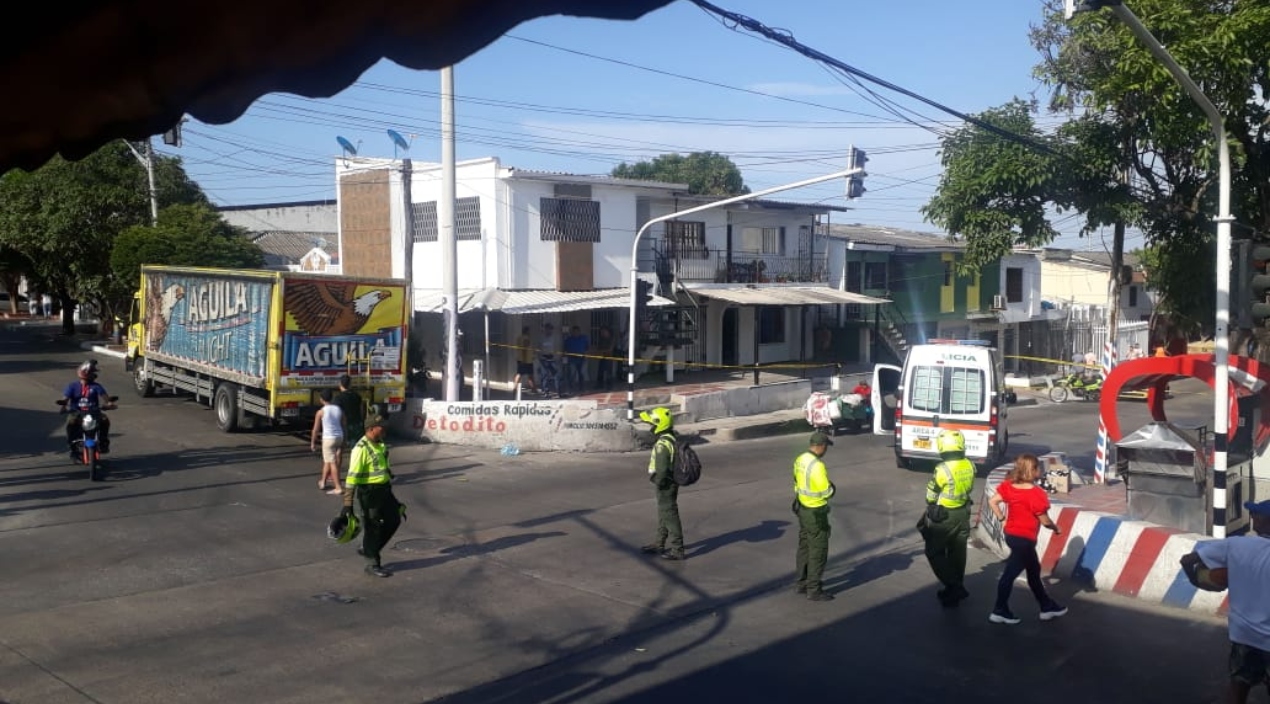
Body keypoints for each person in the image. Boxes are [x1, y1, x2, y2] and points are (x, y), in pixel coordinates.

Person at [1183, 500, 1270, 704]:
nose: (1253, 517)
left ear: (1265, 521)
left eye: (1257, 514)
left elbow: (1188, 560)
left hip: (1244, 637)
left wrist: (1196, 578)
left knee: (1238, 690)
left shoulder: (1236, 545)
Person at [986, 454, 1067, 624]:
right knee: (1010, 574)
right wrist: (1056, 528)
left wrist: (1002, 519)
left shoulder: (1009, 486)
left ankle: (1046, 606)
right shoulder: (1036, 494)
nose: (1040, 470)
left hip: (1011, 535)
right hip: (1024, 540)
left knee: (1033, 570)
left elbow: (993, 501)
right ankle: (1000, 610)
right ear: (1033, 471)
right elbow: (1044, 521)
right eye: (1038, 468)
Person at [920, 428, 976, 607]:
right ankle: (953, 592)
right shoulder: (969, 464)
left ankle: (954, 586)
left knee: (934, 551)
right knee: (957, 553)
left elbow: (932, 492)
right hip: (964, 513)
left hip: (945, 517)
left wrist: (930, 502)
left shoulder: (942, 468)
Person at [341, 416, 401, 578]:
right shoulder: (360, 449)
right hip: (369, 494)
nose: (384, 429)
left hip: (384, 490)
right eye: (381, 427)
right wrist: (347, 505)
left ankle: (368, 549)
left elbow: (383, 468)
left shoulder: (380, 444)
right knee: (372, 528)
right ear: (371, 428)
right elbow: (351, 478)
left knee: (394, 519)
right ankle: (372, 564)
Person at [793, 431, 837, 602]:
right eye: (826, 446)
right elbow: (826, 491)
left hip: (802, 509)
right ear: (821, 446)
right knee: (818, 550)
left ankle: (801, 583)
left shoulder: (800, 459)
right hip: (816, 513)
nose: (826, 450)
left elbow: (797, 481)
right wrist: (832, 488)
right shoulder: (817, 466)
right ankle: (814, 589)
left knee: (804, 546)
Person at [639, 407, 684, 561]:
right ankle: (659, 543)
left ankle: (677, 549)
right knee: (664, 513)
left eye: (652, 424)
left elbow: (662, 469)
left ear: (660, 424)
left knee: (669, 515)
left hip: (666, 483)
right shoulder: (671, 437)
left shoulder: (662, 445)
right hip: (672, 481)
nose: (650, 427)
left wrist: (657, 481)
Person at [62, 360, 115, 459]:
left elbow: (106, 399)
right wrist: (63, 407)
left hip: (93, 412)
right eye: (92, 373)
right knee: (71, 422)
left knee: (104, 420)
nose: (93, 375)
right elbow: (65, 399)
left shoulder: (96, 386)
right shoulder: (72, 386)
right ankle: (72, 446)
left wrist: (110, 404)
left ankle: (103, 441)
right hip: (77, 412)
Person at [311, 389, 346, 494]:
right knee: (328, 460)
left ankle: (338, 487)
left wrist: (313, 442)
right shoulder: (339, 409)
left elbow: (316, 429)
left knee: (332, 462)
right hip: (339, 437)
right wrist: (345, 438)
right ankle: (323, 481)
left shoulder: (320, 412)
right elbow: (344, 423)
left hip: (328, 439)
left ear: (321, 399)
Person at [333, 374, 365, 445]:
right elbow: (361, 410)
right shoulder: (357, 396)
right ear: (350, 384)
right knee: (357, 446)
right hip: (357, 424)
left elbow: (336, 414)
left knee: (340, 448)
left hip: (344, 426)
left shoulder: (338, 398)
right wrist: (361, 421)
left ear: (340, 384)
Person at [563, 325, 589, 395]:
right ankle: (571, 389)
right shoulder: (568, 339)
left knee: (582, 374)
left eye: (577, 331)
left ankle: (582, 388)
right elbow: (565, 350)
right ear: (572, 332)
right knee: (572, 375)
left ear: (579, 332)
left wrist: (586, 356)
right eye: (574, 332)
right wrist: (565, 359)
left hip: (582, 359)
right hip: (572, 359)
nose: (575, 333)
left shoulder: (584, 338)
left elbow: (587, 348)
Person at [512, 326, 538, 395]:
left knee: (520, 374)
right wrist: (524, 359)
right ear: (527, 331)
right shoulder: (526, 338)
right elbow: (524, 349)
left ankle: (516, 388)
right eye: (529, 331)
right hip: (526, 360)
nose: (530, 332)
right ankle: (533, 389)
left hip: (520, 359)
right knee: (530, 375)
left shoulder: (519, 338)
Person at [593, 325, 616, 391]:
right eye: (601, 332)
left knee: (608, 372)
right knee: (600, 372)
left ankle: (609, 386)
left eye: (604, 331)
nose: (602, 333)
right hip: (602, 357)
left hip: (609, 357)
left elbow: (610, 350)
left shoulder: (612, 339)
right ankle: (600, 385)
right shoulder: (601, 339)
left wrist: (601, 351)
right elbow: (598, 348)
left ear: (607, 332)